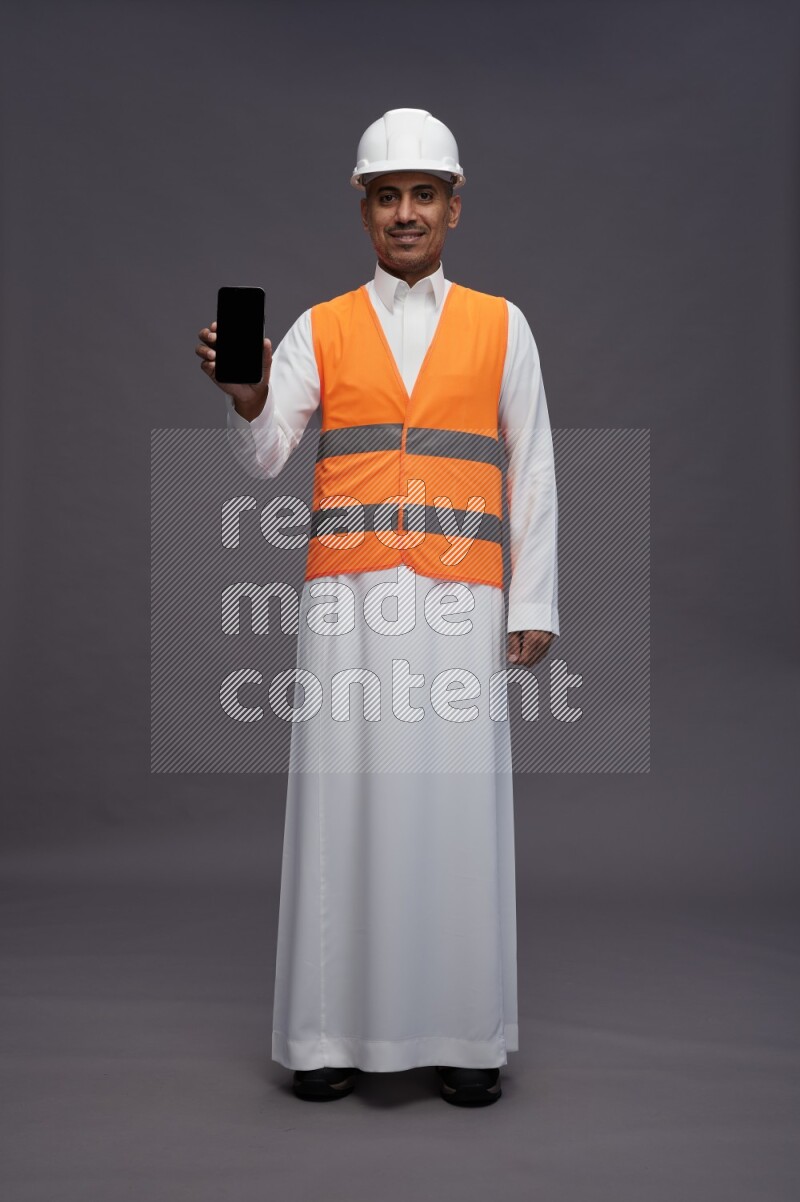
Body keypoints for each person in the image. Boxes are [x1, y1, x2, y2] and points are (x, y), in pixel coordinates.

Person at [196, 108, 559, 1107]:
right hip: (348, 601)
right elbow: (269, 453)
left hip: (457, 606)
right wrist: (246, 392)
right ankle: (325, 1034)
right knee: (340, 803)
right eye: (386, 195)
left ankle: (463, 1036)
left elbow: (530, 468)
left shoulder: (501, 323)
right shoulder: (320, 325)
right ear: (364, 209)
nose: (405, 212)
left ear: (452, 205)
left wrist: (532, 599)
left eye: (422, 194)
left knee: (454, 809)